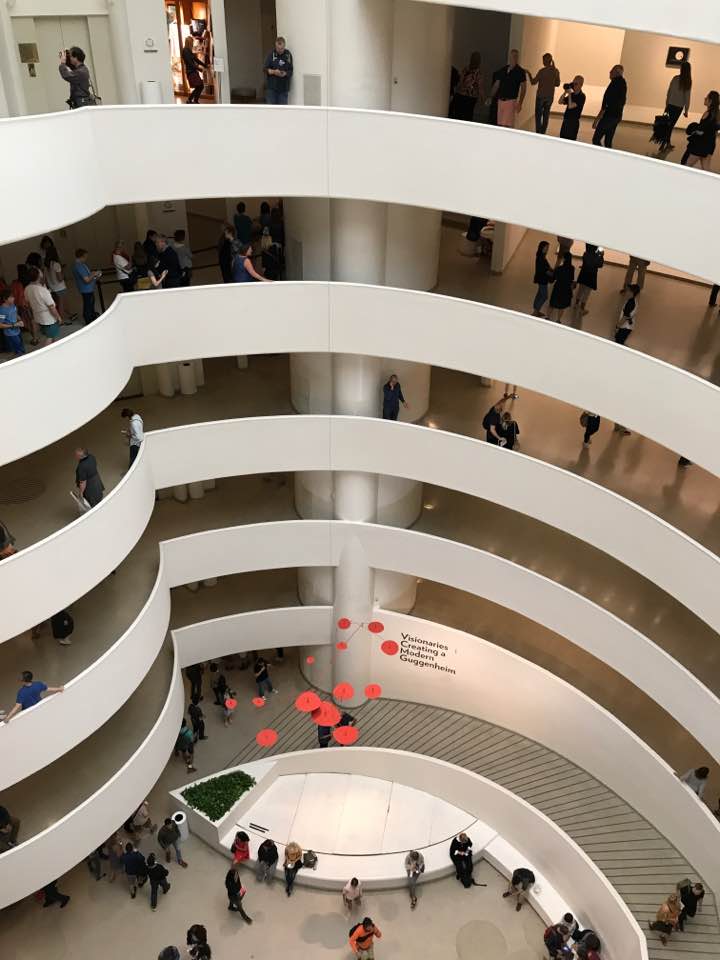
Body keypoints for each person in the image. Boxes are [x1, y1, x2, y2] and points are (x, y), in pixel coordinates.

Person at [488, 49, 527, 128]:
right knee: (500, 124)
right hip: (500, 100)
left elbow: (523, 88)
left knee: (506, 125)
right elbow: (496, 85)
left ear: (517, 58)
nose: (513, 58)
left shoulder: (520, 72)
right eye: (512, 56)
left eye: (515, 56)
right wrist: (490, 97)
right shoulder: (503, 70)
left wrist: (520, 103)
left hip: (510, 101)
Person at [682, 91, 719, 169]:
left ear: (710, 101)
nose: (705, 99)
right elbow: (714, 132)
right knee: (705, 168)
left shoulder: (707, 113)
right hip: (710, 144)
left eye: (706, 98)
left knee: (686, 166)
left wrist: (693, 130)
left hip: (700, 145)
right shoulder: (717, 114)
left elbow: (701, 132)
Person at [25, 267, 62, 345]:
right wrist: (58, 317)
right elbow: (51, 307)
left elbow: (28, 303)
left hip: (37, 315)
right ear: (39, 275)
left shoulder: (27, 289)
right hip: (48, 317)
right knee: (50, 336)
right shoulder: (42, 290)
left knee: (50, 334)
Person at [592, 65, 627, 148]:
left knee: (596, 139)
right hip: (616, 116)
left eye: (612, 71)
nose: (610, 72)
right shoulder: (622, 84)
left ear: (617, 73)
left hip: (609, 116)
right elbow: (622, 101)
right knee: (608, 141)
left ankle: (602, 154)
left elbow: (606, 103)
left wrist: (597, 119)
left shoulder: (615, 84)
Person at [662, 60, 692, 151]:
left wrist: (667, 104)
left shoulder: (675, 78)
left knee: (668, 124)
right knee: (671, 125)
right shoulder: (688, 81)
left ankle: (666, 143)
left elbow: (669, 92)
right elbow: (687, 97)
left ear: (681, 69)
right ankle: (665, 143)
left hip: (670, 104)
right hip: (678, 107)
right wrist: (686, 110)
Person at [529, 53, 560, 135]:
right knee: (546, 116)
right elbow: (557, 84)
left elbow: (533, 82)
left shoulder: (542, 71)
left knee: (538, 116)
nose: (542, 62)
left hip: (540, 97)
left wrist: (529, 74)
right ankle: (543, 133)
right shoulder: (556, 71)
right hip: (550, 97)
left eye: (543, 60)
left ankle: (538, 133)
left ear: (545, 61)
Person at [43, 242, 71, 323]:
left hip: (52, 288)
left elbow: (45, 279)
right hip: (60, 287)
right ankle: (61, 320)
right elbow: (60, 278)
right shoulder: (56, 264)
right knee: (61, 305)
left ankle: (66, 316)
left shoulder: (46, 265)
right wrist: (63, 271)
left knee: (57, 304)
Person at [574, 244, 604, 317]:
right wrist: (601, 256)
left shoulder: (585, 253)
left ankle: (576, 304)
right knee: (586, 293)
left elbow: (585, 262)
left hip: (583, 274)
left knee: (580, 290)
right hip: (591, 276)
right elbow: (600, 265)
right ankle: (582, 309)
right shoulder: (597, 256)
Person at [452, 52, 484, 121]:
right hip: (471, 96)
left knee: (458, 114)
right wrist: (482, 97)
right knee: (468, 115)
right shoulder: (478, 73)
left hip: (461, 94)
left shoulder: (465, 69)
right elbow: (480, 86)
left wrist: (457, 89)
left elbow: (460, 81)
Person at [73, 249, 101, 325]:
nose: (86, 258)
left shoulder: (81, 265)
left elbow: (87, 275)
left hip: (88, 288)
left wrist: (92, 274)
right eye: (85, 257)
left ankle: (92, 315)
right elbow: (87, 280)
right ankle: (88, 320)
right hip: (86, 289)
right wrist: (94, 274)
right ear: (81, 257)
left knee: (91, 303)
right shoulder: (79, 266)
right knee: (88, 305)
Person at [264, 36, 293, 105]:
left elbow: (291, 70)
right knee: (271, 109)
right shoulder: (271, 54)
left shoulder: (288, 55)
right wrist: (274, 72)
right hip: (272, 88)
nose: (280, 50)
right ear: (275, 46)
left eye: (281, 48)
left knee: (283, 110)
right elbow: (265, 69)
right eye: (278, 48)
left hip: (283, 89)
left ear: (284, 46)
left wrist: (285, 73)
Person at [548, 250, 575, 323]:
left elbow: (553, 278)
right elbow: (571, 279)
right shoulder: (572, 268)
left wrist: (549, 274)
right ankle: (558, 320)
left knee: (552, 304)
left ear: (564, 259)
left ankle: (548, 317)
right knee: (562, 306)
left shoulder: (559, 268)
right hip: (566, 289)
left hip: (558, 287)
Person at [559, 76, 586, 141]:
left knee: (570, 141)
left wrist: (570, 94)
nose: (574, 85)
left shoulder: (582, 96)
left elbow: (570, 106)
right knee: (562, 139)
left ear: (581, 85)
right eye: (573, 83)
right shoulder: (572, 94)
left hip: (573, 123)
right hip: (566, 121)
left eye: (576, 84)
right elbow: (560, 101)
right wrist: (565, 92)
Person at [0, 289, 25, 357]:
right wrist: (14, 325)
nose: (13, 298)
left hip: (17, 330)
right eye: (11, 297)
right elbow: (0, 325)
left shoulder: (13, 305)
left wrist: (20, 320)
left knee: (21, 347)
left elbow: (15, 314)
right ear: (5, 299)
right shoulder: (2, 310)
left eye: (13, 296)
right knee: (18, 351)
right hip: (10, 334)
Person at [182, 35, 206, 104]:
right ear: (189, 42)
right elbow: (190, 63)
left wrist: (205, 65)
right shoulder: (185, 51)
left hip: (193, 71)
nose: (192, 44)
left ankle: (192, 100)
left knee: (200, 86)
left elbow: (196, 59)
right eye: (192, 42)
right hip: (191, 72)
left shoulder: (189, 51)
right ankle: (192, 100)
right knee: (200, 86)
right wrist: (199, 69)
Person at [532, 240, 554, 316]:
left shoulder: (541, 256)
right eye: (546, 247)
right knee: (544, 296)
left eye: (548, 247)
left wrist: (551, 270)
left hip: (540, 278)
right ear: (542, 247)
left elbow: (547, 267)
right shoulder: (541, 258)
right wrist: (553, 274)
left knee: (539, 294)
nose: (547, 249)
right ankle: (536, 312)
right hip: (542, 279)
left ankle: (536, 310)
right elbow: (545, 270)